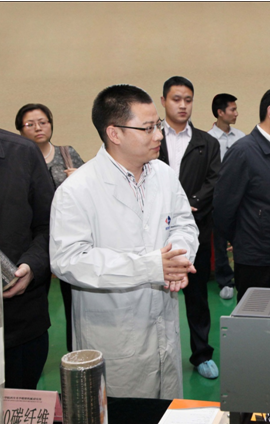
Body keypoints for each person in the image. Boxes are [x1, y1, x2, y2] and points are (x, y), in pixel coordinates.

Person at [49, 84, 199, 399]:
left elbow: (183, 222)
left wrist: (178, 260)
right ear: (114, 133)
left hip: (164, 324)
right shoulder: (77, 190)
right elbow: (69, 260)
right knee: (122, 410)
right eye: (148, 128)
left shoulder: (163, 175)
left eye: (157, 125)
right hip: (113, 335)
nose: (159, 135)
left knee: (167, 410)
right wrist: (151, 267)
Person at [0, 86, 55, 390]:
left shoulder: (21, 154)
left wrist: (32, 266)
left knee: (17, 399)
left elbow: (50, 225)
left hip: (16, 320)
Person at [158, 76, 221, 380]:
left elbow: (214, 180)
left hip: (196, 229)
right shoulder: (150, 137)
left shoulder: (207, 143)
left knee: (197, 298)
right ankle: (157, 356)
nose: (183, 105)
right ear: (163, 101)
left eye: (188, 100)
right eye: (176, 99)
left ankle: (202, 355)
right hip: (155, 233)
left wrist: (188, 204)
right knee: (156, 297)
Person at [213, 88, 270, 302]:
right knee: (255, 316)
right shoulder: (243, 152)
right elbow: (223, 209)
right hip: (255, 260)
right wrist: (245, 239)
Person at [15, 103, 85, 352]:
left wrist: (79, 179)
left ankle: (77, 352)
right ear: (20, 130)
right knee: (33, 300)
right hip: (35, 240)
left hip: (68, 238)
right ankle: (33, 354)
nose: (38, 128)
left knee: (75, 300)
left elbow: (92, 191)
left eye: (43, 122)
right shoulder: (16, 158)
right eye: (30, 124)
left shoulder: (67, 153)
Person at [207, 93, 245, 300]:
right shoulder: (208, 139)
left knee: (242, 238)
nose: (236, 113)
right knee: (220, 241)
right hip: (218, 198)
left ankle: (243, 277)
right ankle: (225, 280)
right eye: (232, 109)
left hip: (241, 197)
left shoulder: (242, 137)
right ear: (220, 112)